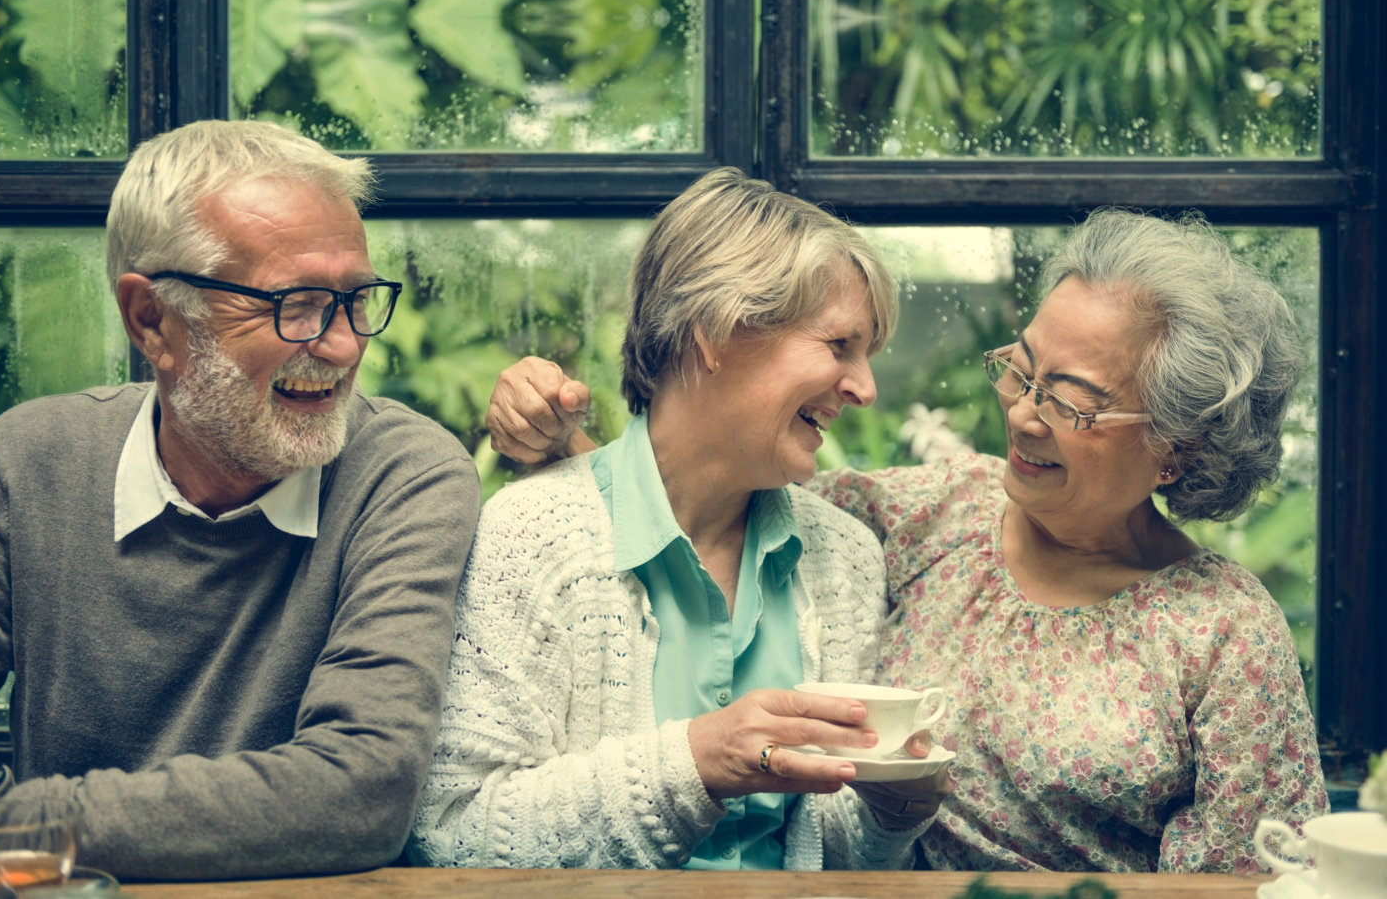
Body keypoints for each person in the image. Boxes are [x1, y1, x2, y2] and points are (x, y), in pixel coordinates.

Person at [481, 206, 1328, 874]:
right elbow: (699, 481)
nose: (1022, 413)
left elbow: (1260, 877)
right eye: (1020, 369)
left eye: (1069, 399)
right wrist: (561, 443)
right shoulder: (932, 515)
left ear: (1177, 442)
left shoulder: (1223, 630)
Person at [406, 168, 950, 871]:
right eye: (839, 345)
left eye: (867, 355)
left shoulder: (842, 556)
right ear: (718, 331)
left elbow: (836, 858)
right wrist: (696, 763)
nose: (865, 388)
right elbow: (453, 834)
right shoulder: (529, 535)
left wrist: (891, 816)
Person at [0, 120, 481, 880]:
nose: (344, 344)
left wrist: (27, 826)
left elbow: (362, 792)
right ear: (153, 320)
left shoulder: (403, 474)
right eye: (295, 304)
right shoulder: (23, 465)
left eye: (355, 301)